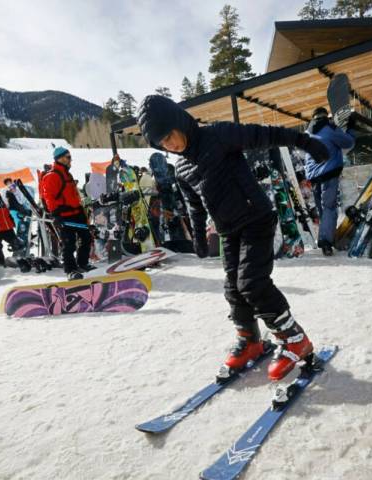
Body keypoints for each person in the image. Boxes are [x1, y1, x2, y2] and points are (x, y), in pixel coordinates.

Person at [136, 95, 329, 381]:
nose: (170, 145)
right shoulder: (182, 169)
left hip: (256, 219)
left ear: (178, 123)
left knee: (252, 283)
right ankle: (250, 341)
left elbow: (266, 135)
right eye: (162, 144)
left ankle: (294, 339)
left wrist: (306, 142)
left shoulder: (218, 135)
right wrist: (199, 238)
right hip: (228, 231)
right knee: (233, 290)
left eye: (169, 136)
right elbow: (194, 205)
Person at [304, 107, 354, 256]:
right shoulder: (330, 128)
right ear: (326, 116)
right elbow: (348, 142)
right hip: (328, 174)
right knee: (329, 208)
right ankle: (326, 242)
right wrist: (350, 128)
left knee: (322, 210)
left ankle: (324, 237)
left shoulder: (308, 132)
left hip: (313, 177)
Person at [41, 147, 92, 279]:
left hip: (76, 212)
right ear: (60, 158)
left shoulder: (67, 174)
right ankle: (70, 270)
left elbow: (74, 194)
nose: (70, 160)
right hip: (64, 215)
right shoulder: (52, 176)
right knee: (69, 244)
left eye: (70, 157)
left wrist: (81, 210)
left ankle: (83, 263)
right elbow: (49, 197)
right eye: (68, 157)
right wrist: (56, 215)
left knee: (86, 238)